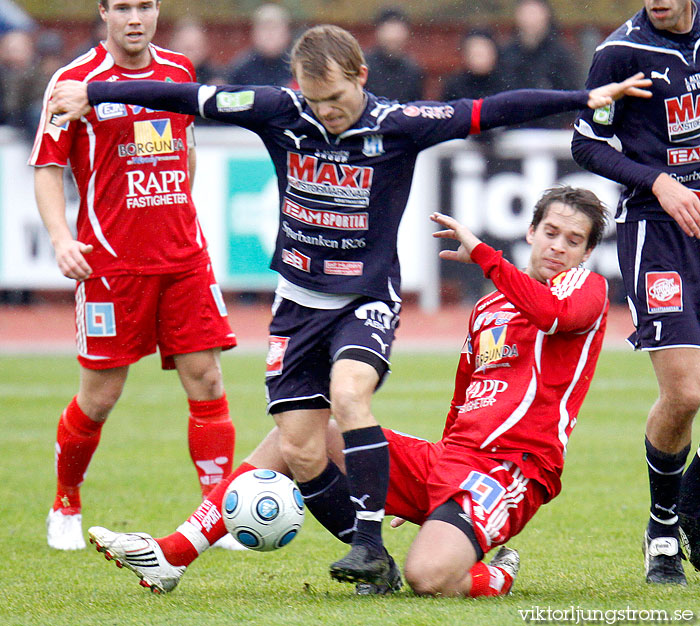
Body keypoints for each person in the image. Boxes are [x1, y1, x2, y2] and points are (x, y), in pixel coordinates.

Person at [48, 23, 649, 589]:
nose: (326, 112)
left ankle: (370, 542)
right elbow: (189, 96)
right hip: (300, 306)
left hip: (367, 299)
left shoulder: (402, 123)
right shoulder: (283, 112)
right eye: (313, 98)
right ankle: (183, 554)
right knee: (300, 444)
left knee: (349, 392)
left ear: (361, 75)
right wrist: (94, 92)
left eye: (334, 97)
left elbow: (492, 109)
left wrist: (583, 96)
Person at [83, 186, 611, 597]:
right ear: (533, 230)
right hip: (453, 457)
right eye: (551, 232)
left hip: (511, 469)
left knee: (428, 577)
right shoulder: (488, 309)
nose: (558, 247)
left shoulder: (585, 290)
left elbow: (553, 314)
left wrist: (487, 257)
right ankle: (176, 552)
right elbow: (463, 396)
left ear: (587, 251)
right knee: (301, 432)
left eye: (573, 240)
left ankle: (499, 575)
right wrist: (428, 479)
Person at [29, 0, 238, 552]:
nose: (135, 17)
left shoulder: (178, 71)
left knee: (208, 380)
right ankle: (65, 504)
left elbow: (185, 150)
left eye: (144, 4)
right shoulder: (74, 81)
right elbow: (48, 169)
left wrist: (174, 212)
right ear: (104, 12)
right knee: (100, 395)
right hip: (112, 265)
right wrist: (60, 239)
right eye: (122, 6)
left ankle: (215, 517)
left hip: (184, 257)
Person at [572, 0, 700, 586]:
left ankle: (693, 498)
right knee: (686, 393)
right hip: (658, 232)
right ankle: (663, 527)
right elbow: (586, 144)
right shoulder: (621, 53)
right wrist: (657, 179)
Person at [500, 0, 581, 128]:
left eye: (535, 13)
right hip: (513, 132)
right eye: (526, 13)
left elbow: (571, 95)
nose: (530, 20)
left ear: (546, 15)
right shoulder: (506, 53)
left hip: (550, 132)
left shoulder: (561, 55)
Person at [363, 7, 424, 102]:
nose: (393, 37)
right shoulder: (365, 65)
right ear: (378, 32)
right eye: (388, 30)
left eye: (398, 31)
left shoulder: (413, 69)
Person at [226, 3, 293, 87]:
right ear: (254, 33)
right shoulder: (241, 69)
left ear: (286, 32)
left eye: (275, 28)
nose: (270, 34)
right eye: (264, 28)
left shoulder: (297, 66)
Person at [440, 29, 506, 101]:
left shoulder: (507, 84)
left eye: (483, 52)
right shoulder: (454, 86)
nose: (479, 56)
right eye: (474, 52)